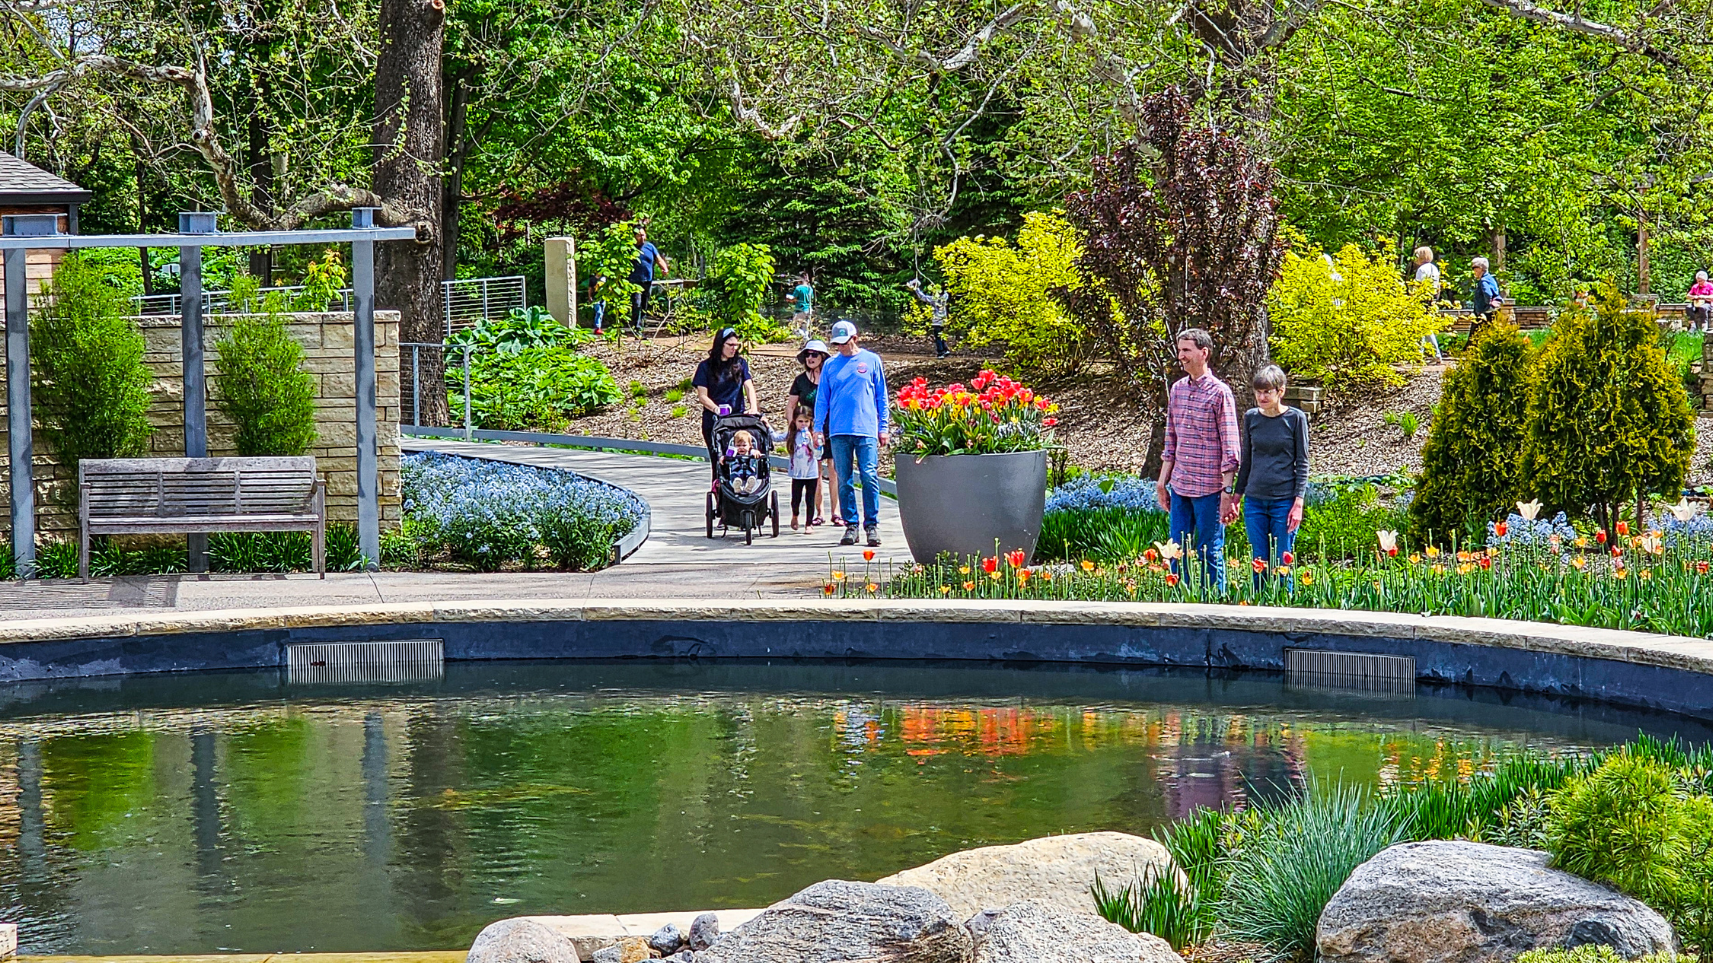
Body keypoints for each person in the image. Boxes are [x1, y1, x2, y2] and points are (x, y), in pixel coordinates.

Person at [1156, 328, 1240, 593]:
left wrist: (1227, 492)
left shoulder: (1220, 393)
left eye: (1186, 351)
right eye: (1179, 350)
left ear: (1204, 353)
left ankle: (1215, 605)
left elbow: (1231, 448)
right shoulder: (1177, 390)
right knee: (1175, 552)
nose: (1181, 356)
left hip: (1210, 490)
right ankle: (1181, 605)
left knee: (1210, 552)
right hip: (1180, 487)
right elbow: (1171, 440)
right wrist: (1162, 483)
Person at [1231, 364, 1309, 589]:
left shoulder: (1295, 419)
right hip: (1255, 500)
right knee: (1259, 561)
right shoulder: (1251, 417)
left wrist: (1298, 502)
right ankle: (1259, 609)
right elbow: (1247, 460)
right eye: (1258, 391)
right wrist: (1236, 497)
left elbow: (1302, 461)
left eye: (1267, 392)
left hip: (1283, 500)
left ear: (1280, 391)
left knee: (1282, 561)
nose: (1262, 396)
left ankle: (1285, 608)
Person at [814, 320, 889, 547]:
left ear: (855, 338)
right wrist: (818, 428)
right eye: (837, 344)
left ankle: (872, 525)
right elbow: (822, 398)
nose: (841, 348)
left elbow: (881, 397)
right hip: (839, 430)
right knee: (843, 478)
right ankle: (851, 525)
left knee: (868, 475)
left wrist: (883, 426)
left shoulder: (871, 360)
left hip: (865, 429)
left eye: (844, 343)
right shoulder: (830, 365)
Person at [693, 327, 756, 485]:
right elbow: (702, 396)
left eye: (736, 345)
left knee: (740, 455)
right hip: (714, 420)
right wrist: (716, 409)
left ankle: (743, 485)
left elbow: (748, 386)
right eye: (730, 345)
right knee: (719, 459)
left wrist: (753, 407)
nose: (734, 349)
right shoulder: (705, 367)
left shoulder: (740, 364)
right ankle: (719, 492)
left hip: (736, 419)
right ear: (720, 344)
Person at [788, 340, 833, 526]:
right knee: (816, 469)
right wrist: (793, 427)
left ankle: (836, 512)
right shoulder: (800, 380)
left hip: (831, 428)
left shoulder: (830, 377)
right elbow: (791, 406)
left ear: (822, 357)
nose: (811, 358)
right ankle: (819, 512)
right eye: (808, 354)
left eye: (815, 354)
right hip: (808, 430)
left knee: (834, 468)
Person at [629, 226, 669, 335]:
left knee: (644, 304)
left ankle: (640, 325)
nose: (641, 237)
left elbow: (658, 259)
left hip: (647, 280)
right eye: (639, 235)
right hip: (634, 281)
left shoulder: (650, 247)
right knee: (637, 303)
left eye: (643, 235)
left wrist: (664, 268)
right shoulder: (630, 248)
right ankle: (636, 328)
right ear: (635, 236)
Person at [787, 408, 821, 531]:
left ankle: (809, 523)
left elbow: (818, 453)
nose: (803, 424)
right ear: (795, 421)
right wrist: (766, 425)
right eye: (800, 421)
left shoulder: (814, 435)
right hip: (797, 473)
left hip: (811, 472)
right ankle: (795, 515)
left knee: (810, 498)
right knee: (796, 498)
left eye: (806, 421)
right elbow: (777, 437)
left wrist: (811, 441)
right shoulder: (792, 435)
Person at [1412, 247, 1444, 360]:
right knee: (1426, 328)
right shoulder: (1434, 268)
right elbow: (1438, 286)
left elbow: (1419, 286)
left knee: (1424, 328)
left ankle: (1432, 354)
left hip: (1423, 300)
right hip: (1432, 299)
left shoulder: (1421, 270)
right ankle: (1424, 353)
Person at [905, 278, 950, 358]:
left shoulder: (934, 299)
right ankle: (945, 350)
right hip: (944, 320)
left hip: (937, 320)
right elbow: (946, 292)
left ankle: (941, 352)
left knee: (938, 337)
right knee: (942, 335)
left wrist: (917, 289)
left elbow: (923, 297)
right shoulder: (945, 297)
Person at [723, 430, 766, 495]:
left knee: (753, 476)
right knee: (733, 476)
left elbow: (755, 452)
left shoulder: (751, 452)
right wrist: (723, 457)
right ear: (734, 445)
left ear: (750, 446)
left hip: (749, 472)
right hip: (737, 472)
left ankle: (749, 487)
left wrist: (757, 453)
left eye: (744, 445)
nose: (741, 448)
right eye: (738, 445)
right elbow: (726, 456)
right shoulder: (733, 453)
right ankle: (737, 486)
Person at [1469, 256, 1501, 333]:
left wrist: (1487, 304)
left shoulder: (1484, 281)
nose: (1474, 271)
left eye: (1475, 269)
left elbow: (1487, 293)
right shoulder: (1490, 278)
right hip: (1492, 311)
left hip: (1484, 312)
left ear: (1480, 268)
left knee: (1475, 336)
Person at [786, 272, 815, 339]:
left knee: (794, 327)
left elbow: (794, 298)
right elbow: (811, 298)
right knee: (805, 328)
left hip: (800, 310)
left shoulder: (798, 288)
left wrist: (789, 299)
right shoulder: (810, 288)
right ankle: (806, 342)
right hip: (809, 310)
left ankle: (804, 338)